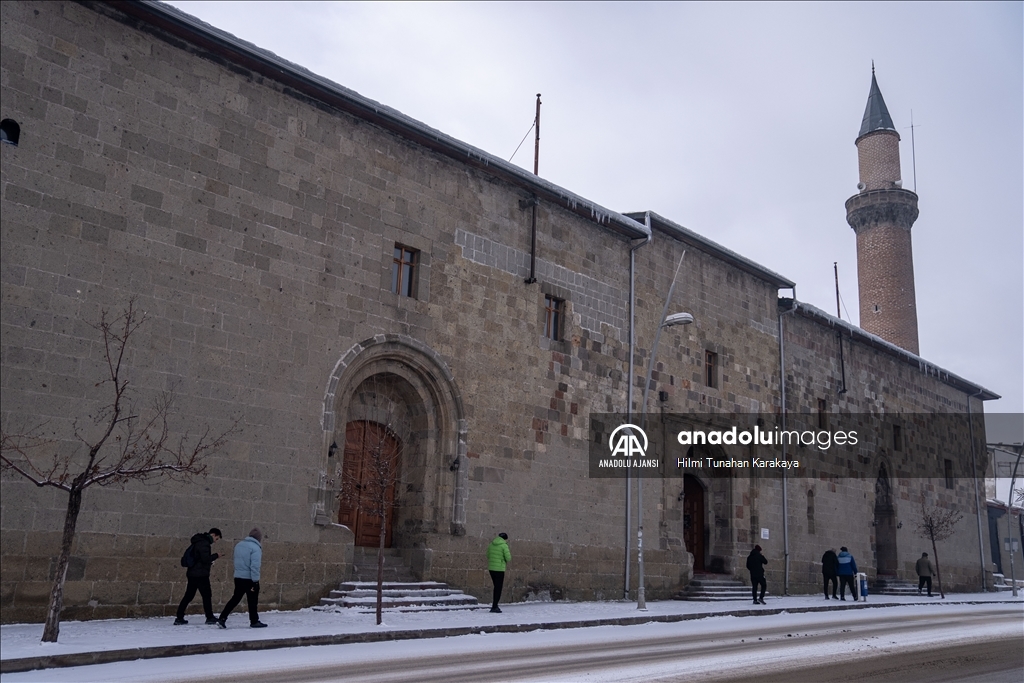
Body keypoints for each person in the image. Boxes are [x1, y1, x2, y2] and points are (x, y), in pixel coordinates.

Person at [217, 528, 266, 628]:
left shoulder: (239, 545)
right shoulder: (255, 548)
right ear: (258, 538)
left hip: (238, 577)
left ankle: (222, 618)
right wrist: (255, 581)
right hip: (249, 578)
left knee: (235, 598)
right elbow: (255, 566)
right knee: (252, 600)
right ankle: (254, 621)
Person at [174, 527, 222, 625]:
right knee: (207, 595)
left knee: (189, 595)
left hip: (193, 573)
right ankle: (209, 617)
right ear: (213, 535)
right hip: (200, 574)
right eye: (216, 539)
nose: (215, 541)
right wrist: (216, 555)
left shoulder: (198, 541)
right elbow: (205, 559)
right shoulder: (204, 543)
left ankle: (179, 617)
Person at [487, 533, 511, 613]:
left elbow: (487, 555)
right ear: (505, 539)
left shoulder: (491, 544)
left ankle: (495, 605)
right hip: (499, 569)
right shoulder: (504, 545)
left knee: (496, 586)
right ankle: (494, 606)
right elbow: (508, 558)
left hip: (491, 568)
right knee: (498, 588)